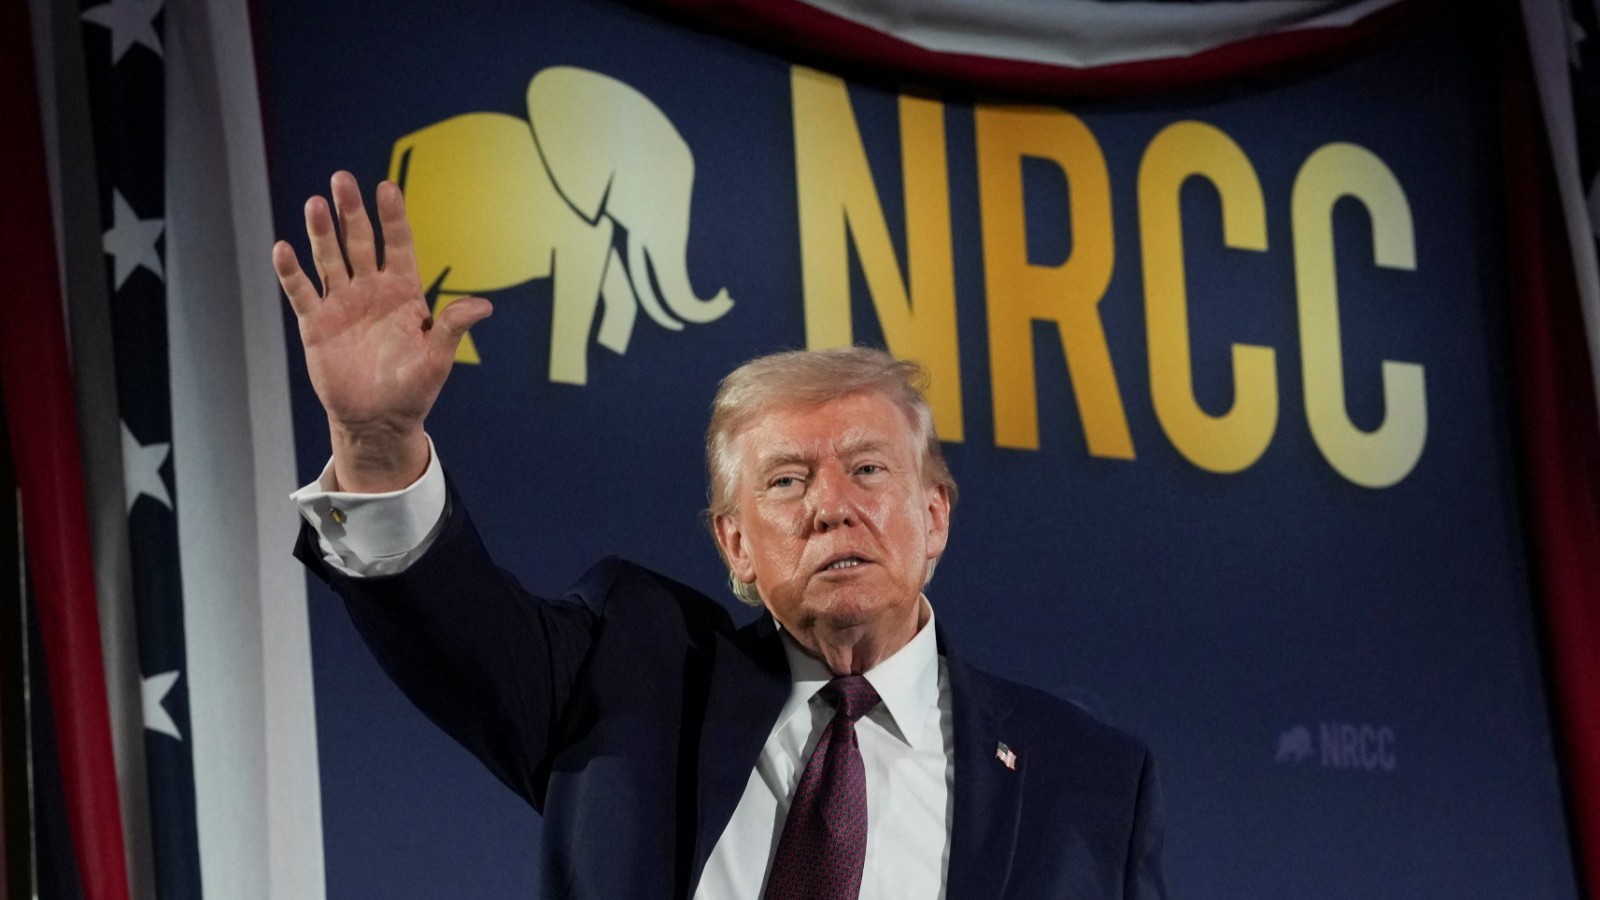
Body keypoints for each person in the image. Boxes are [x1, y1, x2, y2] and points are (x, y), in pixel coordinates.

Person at [276, 171, 1166, 899]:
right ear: (735, 544)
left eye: (867, 469)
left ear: (934, 515)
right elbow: (455, 627)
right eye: (787, 481)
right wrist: (377, 448)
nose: (831, 506)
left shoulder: (1086, 778)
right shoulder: (631, 679)